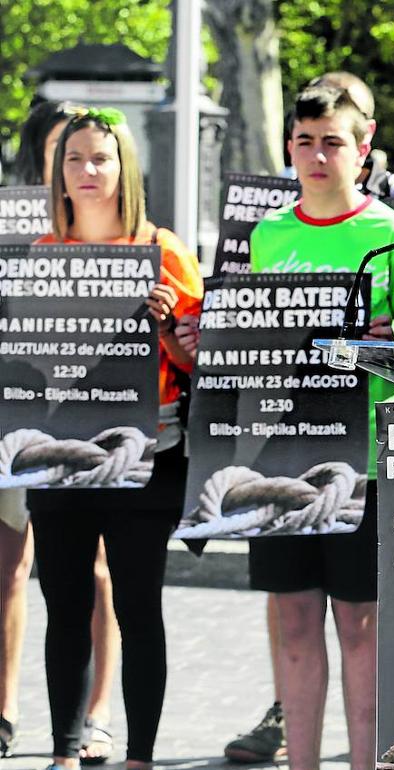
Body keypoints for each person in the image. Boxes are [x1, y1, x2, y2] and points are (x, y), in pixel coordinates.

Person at [246, 85, 394, 770]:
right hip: (284, 460)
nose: (318, 156)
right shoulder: (268, 235)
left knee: (359, 623)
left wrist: (390, 346)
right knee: (294, 622)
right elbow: (253, 342)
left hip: (368, 462)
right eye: (305, 141)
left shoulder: (388, 232)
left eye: (333, 141)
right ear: (290, 146)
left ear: (365, 145)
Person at [27, 107, 203, 770]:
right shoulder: (40, 258)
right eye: (75, 159)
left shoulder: (166, 249)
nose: (87, 170)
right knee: (65, 607)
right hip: (62, 460)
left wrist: (169, 333)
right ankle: (65, 752)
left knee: (138, 608)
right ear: (59, 175)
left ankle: (141, 758)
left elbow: (199, 366)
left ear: (124, 167)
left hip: (146, 460)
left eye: (100, 158)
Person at [2, 100, 123, 765]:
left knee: (95, 571)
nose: (74, 165)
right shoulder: (11, 219)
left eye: (86, 153)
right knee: (9, 567)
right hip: (14, 411)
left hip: (91, 417)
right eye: (61, 152)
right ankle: (5, 709)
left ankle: (95, 715)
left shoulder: (119, 231)